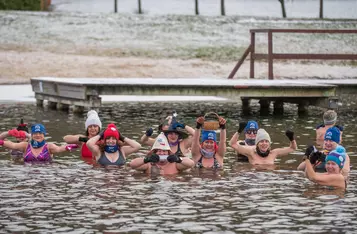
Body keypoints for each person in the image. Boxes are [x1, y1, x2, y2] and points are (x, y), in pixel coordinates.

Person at [0, 123, 78, 163]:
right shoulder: (26, 146)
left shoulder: (48, 147)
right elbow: (12, 145)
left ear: (44, 135)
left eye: (40, 133)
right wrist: (1, 142)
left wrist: (68, 147)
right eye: (35, 133)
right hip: (28, 177)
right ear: (32, 135)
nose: (38, 135)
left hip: (45, 176)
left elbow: (59, 149)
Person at [129, 132, 194, 175]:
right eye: (159, 151)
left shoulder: (174, 164)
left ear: (168, 152)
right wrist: (146, 159)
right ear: (154, 152)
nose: (162, 153)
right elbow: (132, 164)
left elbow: (191, 163)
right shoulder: (148, 164)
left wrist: (178, 159)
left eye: (164, 151)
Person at [229, 128, 297, 165]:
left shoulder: (273, 153)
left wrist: (291, 139)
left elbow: (293, 148)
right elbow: (232, 144)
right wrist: (239, 131)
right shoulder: (251, 153)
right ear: (257, 144)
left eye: (266, 141)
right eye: (261, 141)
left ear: (269, 144)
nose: (264, 144)